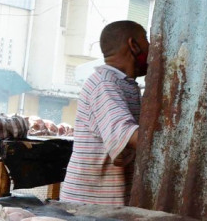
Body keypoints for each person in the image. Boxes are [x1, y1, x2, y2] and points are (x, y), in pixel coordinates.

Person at [59, 20, 149, 206]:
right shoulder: (104, 84)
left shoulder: (124, 84)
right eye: (146, 40)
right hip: (87, 206)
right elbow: (128, 135)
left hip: (104, 203)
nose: (153, 48)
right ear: (133, 45)